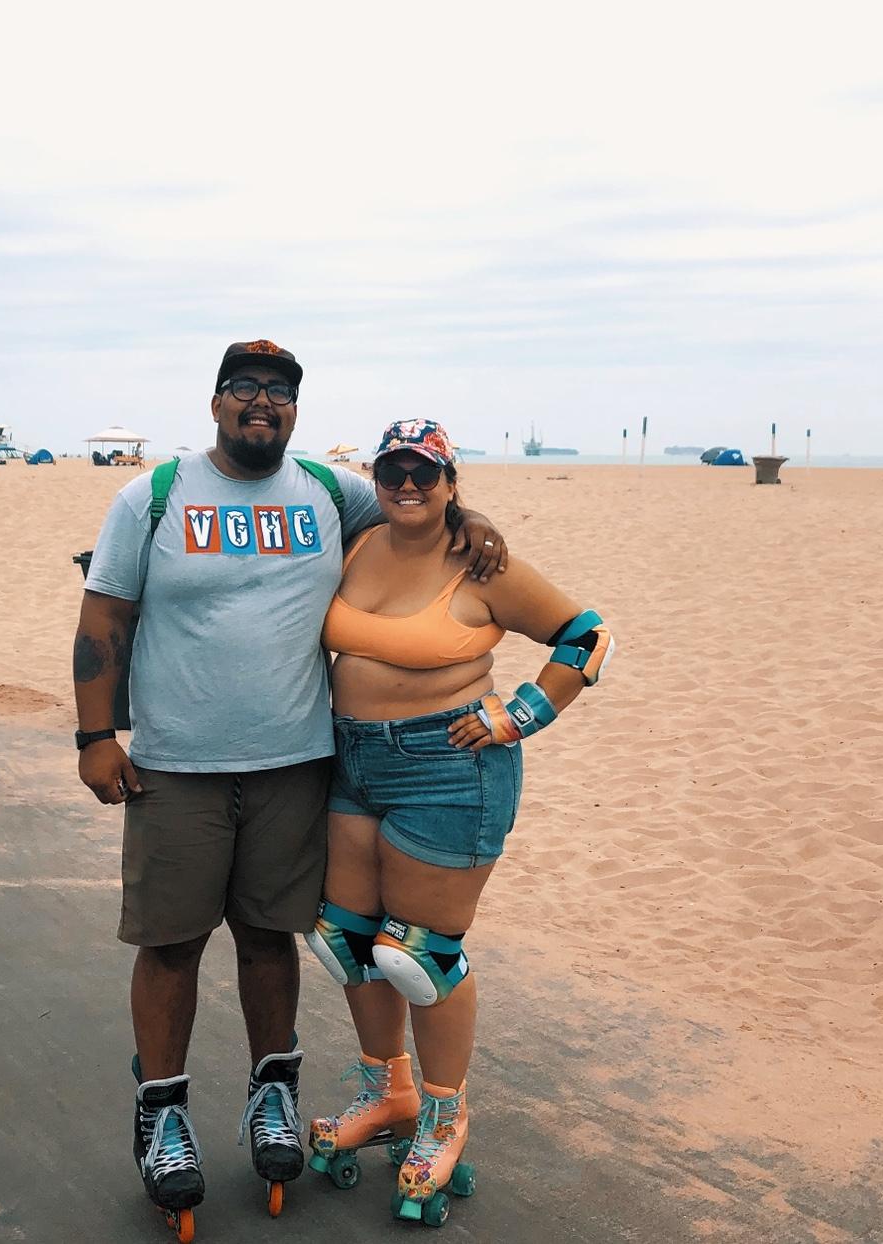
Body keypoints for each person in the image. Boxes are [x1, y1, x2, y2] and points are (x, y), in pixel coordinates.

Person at [71, 342, 508, 1231]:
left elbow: (412, 507)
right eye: (245, 390)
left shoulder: (327, 491)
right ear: (216, 404)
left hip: (297, 767)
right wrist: (93, 736)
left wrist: (477, 520)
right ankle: (162, 1114)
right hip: (175, 770)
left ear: (296, 414)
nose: (261, 404)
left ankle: (272, 1095)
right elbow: (104, 615)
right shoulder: (150, 496)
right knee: (169, 944)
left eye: (279, 393)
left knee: (272, 939)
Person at [304, 418, 612, 1223]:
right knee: (347, 940)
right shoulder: (360, 540)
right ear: (377, 476)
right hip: (352, 763)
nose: (408, 484)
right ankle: (389, 1095)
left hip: (449, 770)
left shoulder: (481, 561)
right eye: (394, 469)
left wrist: (519, 715)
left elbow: (587, 635)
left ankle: (444, 1116)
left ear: (450, 480)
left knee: (419, 955)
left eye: (425, 472)